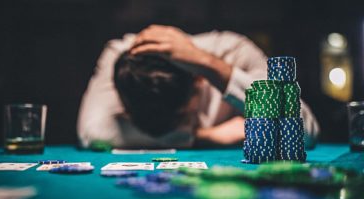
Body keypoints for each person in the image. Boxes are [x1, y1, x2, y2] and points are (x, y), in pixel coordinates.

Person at [77, 25, 319, 148]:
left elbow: (304, 130)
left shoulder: (234, 52)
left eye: (182, 116)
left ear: (199, 81)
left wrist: (213, 67)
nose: (169, 129)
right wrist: (205, 136)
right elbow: (92, 133)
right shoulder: (120, 56)